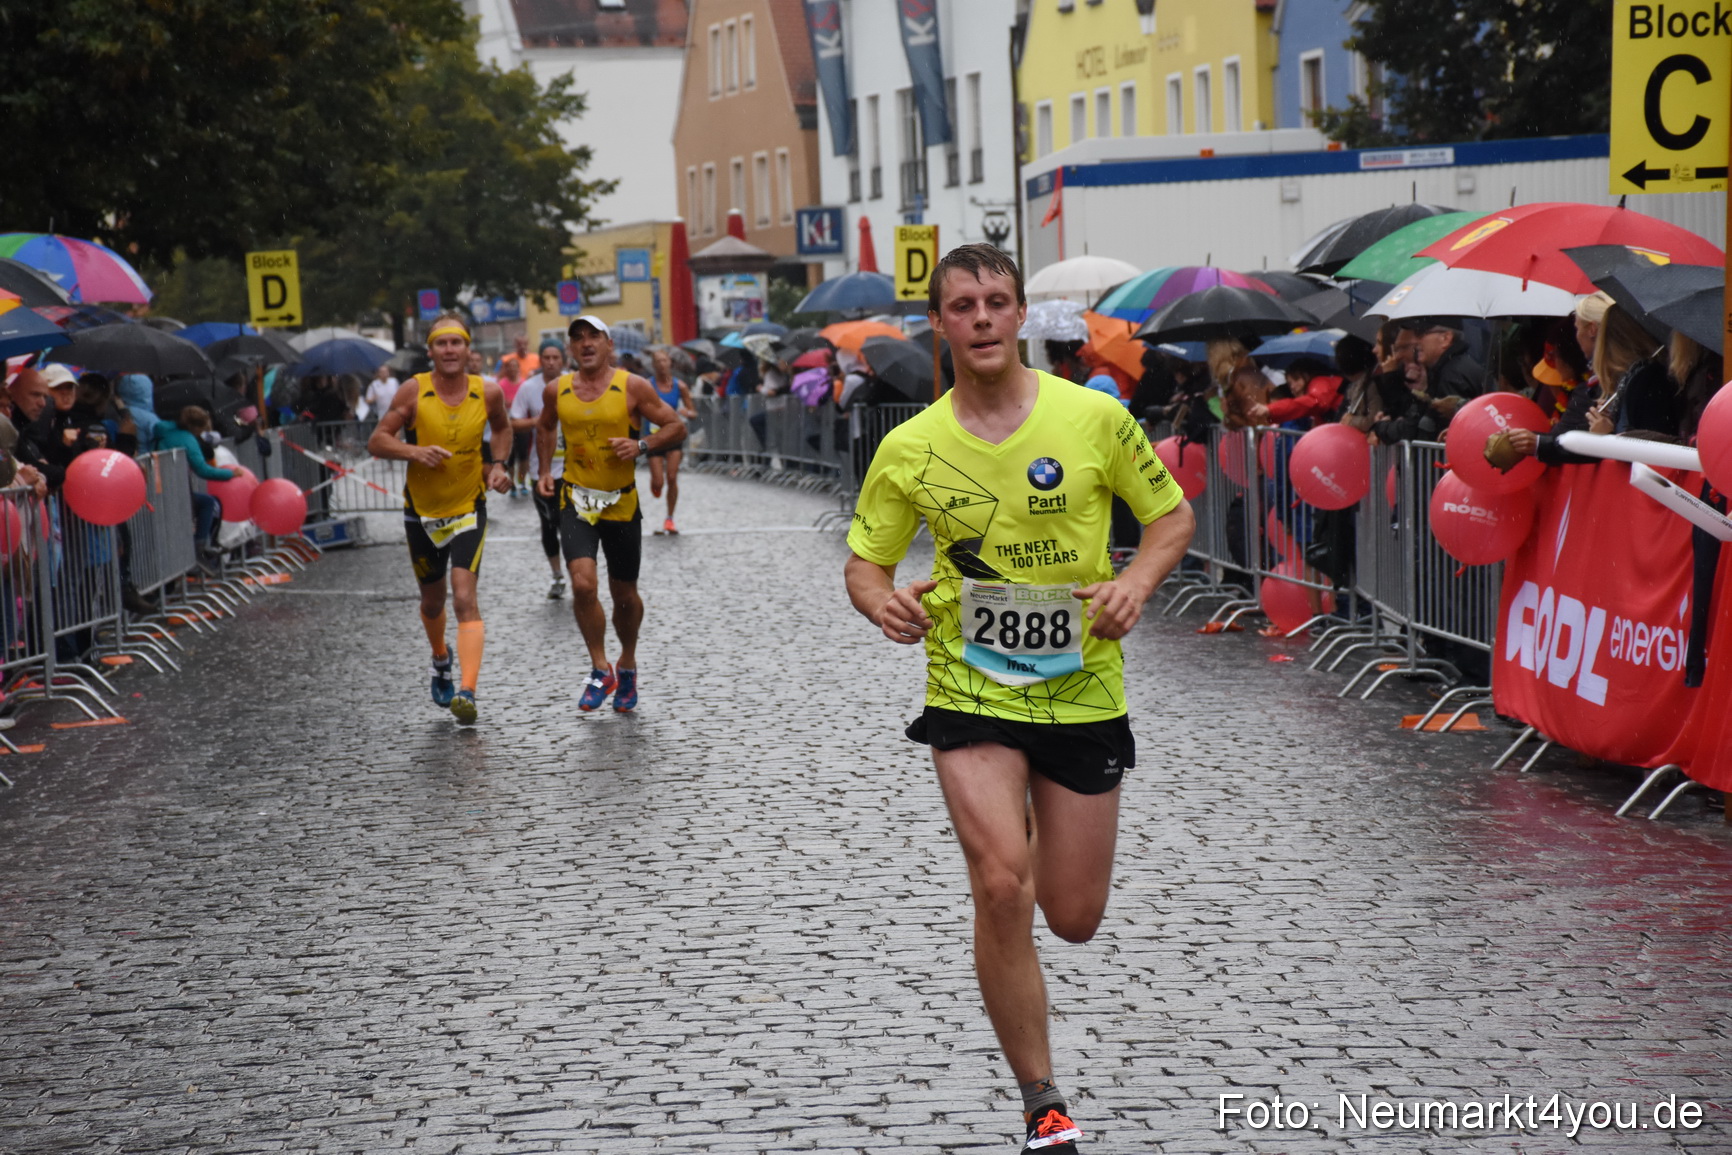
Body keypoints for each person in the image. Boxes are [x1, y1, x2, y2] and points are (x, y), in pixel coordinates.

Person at [842, 244, 1194, 1155]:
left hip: (1082, 688)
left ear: (1021, 313)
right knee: (1002, 884)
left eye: (999, 300)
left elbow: (1170, 518)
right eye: (964, 305)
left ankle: (1030, 824)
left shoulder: (1093, 419)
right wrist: (880, 599)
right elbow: (865, 559)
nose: (984, 318)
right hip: (969, 684)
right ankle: (1043, 1100)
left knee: (1072, 916)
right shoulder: (910, 447)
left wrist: (1136, 584)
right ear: (941, 322)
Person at [534, 315, 686, 713]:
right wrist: (544, 470)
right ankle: (601, 668)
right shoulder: (557, 389)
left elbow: (676, 426)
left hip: (620, 501)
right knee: (583, 585)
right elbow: (545, 426)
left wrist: (642, 445)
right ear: (571, 349)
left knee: (624, 596)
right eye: (578, 338)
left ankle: (628, 663)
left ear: (608, 345)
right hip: (576, 500)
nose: (586, 344)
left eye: (593, 337)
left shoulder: (632, 386)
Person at [367, 315, 512, 725]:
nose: (449, 350)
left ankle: (467, 690)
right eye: (441, 343)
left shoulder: (488, 392)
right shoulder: (415, 390)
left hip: (468, 508)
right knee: (433, 602)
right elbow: (377, 439)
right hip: (422, 514)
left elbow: (501, 429)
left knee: (464, 598)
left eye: (456, 343)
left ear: (469, 350)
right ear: (430, 351)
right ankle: (440, 658)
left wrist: (498, 464)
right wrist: (414, 452)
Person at [510, 338, 569, 594]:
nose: (551, 362)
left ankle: (579, 573)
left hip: (573, 468)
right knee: (550, 523)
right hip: (540, 468)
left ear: (563, 361)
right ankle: (557, 575)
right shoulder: (529, 388)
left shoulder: (574, 384)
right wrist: (540, 421)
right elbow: (514, 422)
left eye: (556, 357)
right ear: (540, 360)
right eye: (547, 357)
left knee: (573, 524)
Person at [644, 347, 696, 534]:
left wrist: (686, 412)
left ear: (670, 364)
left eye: (664, 361)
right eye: (658, 361)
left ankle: (669, 519)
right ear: (653, 365)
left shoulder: (680, 386)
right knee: (658, 482)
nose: (661, 365)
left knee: (672, 477)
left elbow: (692, 411)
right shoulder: (647, 385)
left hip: (673, 436)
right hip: (655, 437)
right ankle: (655, 484)